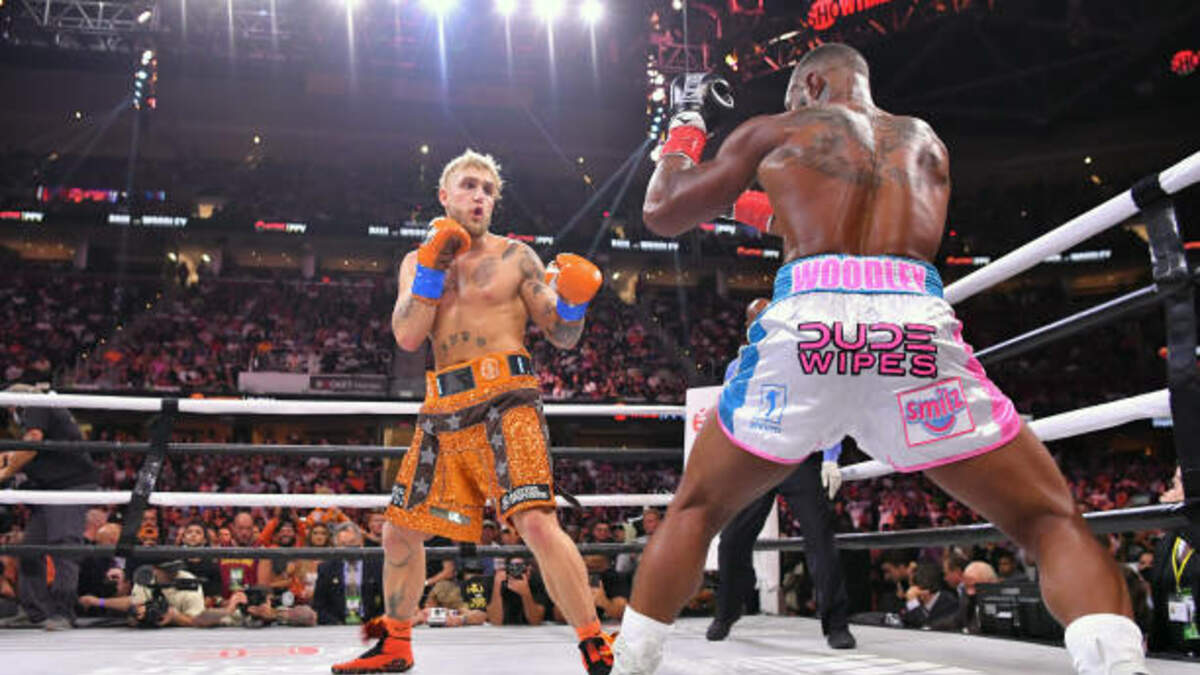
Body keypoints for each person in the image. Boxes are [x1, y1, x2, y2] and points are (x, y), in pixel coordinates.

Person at [613, 44, 1145, 675]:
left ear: (812, 83)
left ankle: (631, 665)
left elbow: (663, 209)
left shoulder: (777, 131)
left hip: (810, 325)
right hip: (913, 329)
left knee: (698, 510)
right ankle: (1119, 666)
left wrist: (686, 123)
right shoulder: (925, 143)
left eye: (794, 97)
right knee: (1047, 517)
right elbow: (819, 211)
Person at [333, 149, 611, 674]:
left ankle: (593, 641)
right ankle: (396, 644)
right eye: (469, 185)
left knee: (535, 522)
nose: (479, 196)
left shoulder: (517, 257)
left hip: (508, 399)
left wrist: (574, 302)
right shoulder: (416, 261)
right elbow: (408, 335)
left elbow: (563, 335)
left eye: (488, 189)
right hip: (443, 407)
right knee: (399, 530)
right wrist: (433, 268)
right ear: (445, 195)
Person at [705, 300, 855, 648]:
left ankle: (836, 624)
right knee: (732, 540)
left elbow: (827, 406)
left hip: (799, 456)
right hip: (755, 461)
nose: (762, 325)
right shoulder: (737, 367)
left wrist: (831, 456)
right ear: (747, 328)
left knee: (820, 539)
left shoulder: (804, 358)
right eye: (755, 321)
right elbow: (731, 417)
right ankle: (727, 611)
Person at [0, 384, 98, 630]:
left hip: (69, 486)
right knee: (31, 549)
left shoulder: (37, 405)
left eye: (9, 407)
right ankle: (35, 612)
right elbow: (29, 448)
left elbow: (33, 442)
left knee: (63, 545)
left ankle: (63, 612)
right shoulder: (42, 413)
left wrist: (5, 472)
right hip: (50, 488)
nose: (10, 413)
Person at [313, 523, 384, 626]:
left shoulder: (377, 566)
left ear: (361, 542)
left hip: (371, 625)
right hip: (336, 627)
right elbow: (319, 606)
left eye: (352, 542)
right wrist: (336, 624)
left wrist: (374, 624)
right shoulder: (326, 568)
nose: (349, 549)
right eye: (343, 544)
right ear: (337, 546)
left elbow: (386, 603)